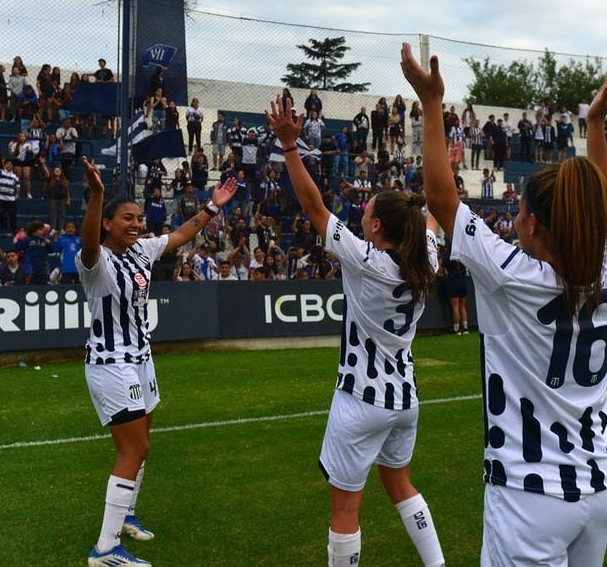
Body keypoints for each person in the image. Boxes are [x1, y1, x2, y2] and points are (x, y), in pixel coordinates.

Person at [402, 45, 607, 565]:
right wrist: (595, 125)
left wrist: (433, 103)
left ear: (531, 224)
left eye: (521, 211)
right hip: (599, 490)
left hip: (530, 495)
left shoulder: (511, 277)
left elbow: (441, 200)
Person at [265, 97, 445, 567]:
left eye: (365, 212)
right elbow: (426, 216)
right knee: (401, 485)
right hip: (405, 399)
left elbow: (314, 207)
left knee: (346, 508)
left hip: (361, 399)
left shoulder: (368, 261)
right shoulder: (426, 257)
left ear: (377, 226)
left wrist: (289, 146)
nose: (359, 217)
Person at [79, 157, 237, 567]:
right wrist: (97, 195)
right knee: (136, 448)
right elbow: (89, 243)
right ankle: (106, 549)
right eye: (126, 219)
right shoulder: (96, 264)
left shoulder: (142, 250)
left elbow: (183, 233)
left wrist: (214, 205)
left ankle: (125, 514)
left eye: (138, 217)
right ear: (108, 223)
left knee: (141, 446)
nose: (135, 224)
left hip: (141, 359)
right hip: (112, 363)